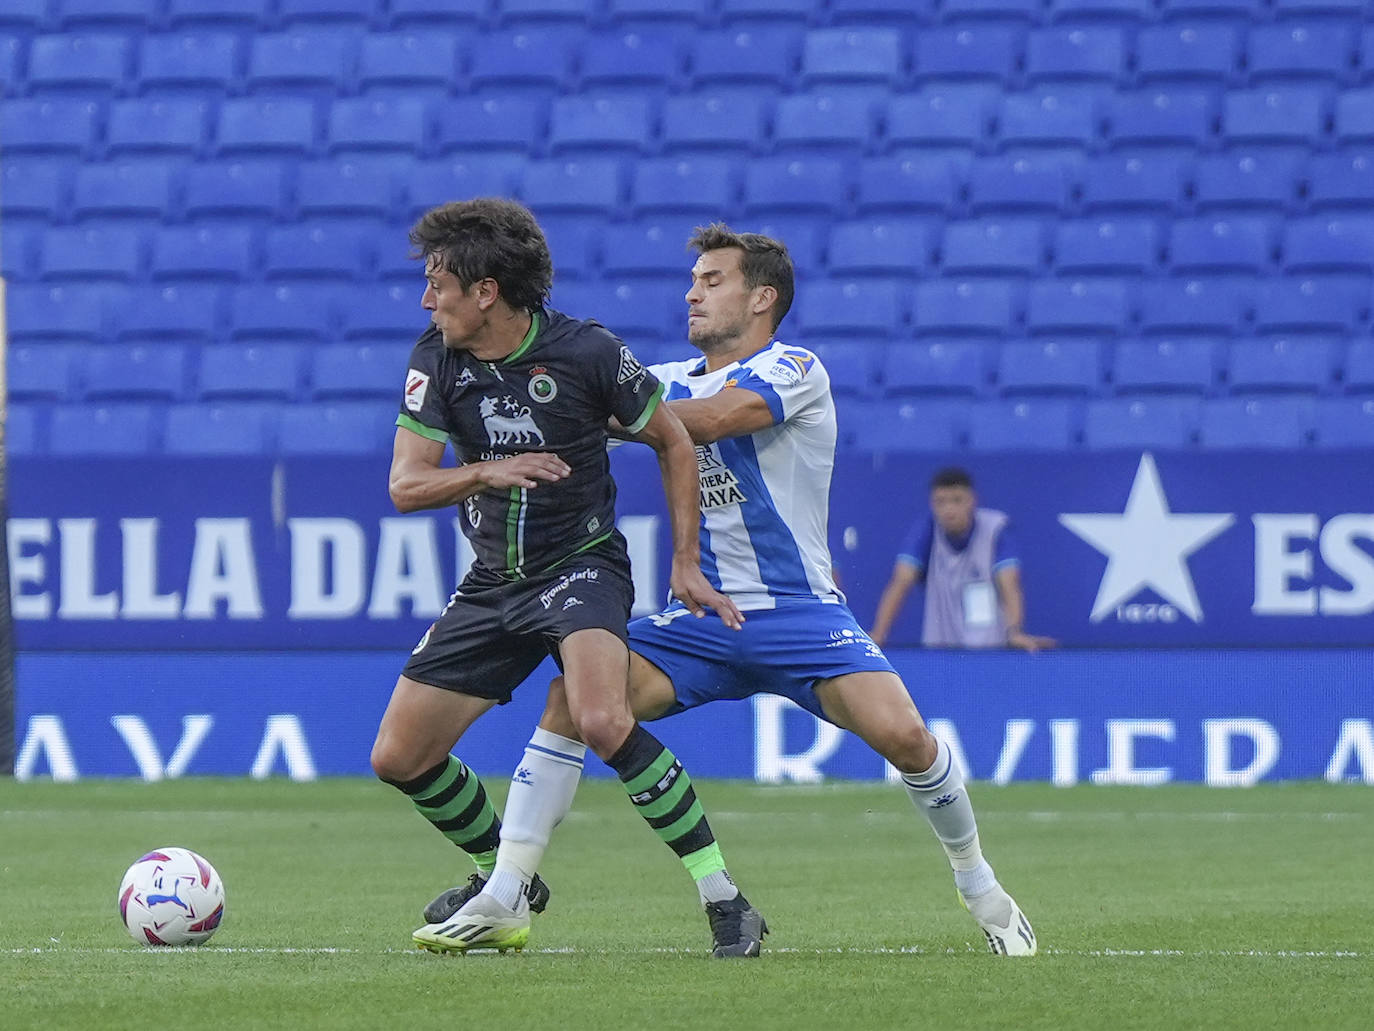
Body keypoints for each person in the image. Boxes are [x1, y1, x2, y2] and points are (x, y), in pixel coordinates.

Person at [458, 223, 1037, 956]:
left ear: (762, 297)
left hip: (799, 613)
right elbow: (607, 406)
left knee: (908, 739)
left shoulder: (795, 367)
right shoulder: (666, 379)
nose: (692, 292)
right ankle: (505, 891)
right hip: (700, 619)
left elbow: (713, 420)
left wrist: (602, 413)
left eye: (712, 280)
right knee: (572, 700)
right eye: (693, 279)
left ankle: (979, 884)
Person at [369, 198, 764, 958]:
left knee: (603, 719)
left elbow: (673, 439)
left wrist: (684, 561)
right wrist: (493, 468)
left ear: (485, 290)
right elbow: (405, 485)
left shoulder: (586, 353)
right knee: (399, 756)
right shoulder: (436, 359)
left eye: (437, 283)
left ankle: (726, 900)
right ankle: (504, 880)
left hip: (580, 567)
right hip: (493, 583)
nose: (427, 300)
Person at [869, 467, 1058, 652]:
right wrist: (879, 634)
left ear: (973, 500)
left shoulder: (996, 529)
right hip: (939, 651)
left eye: (957, 500)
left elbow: (1010, 583)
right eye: (940, 502)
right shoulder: (926, 530)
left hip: (991, 651)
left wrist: (1015, 632)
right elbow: (901, 581)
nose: (949, 509)